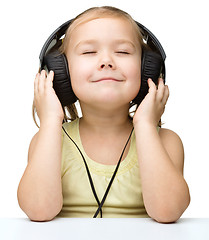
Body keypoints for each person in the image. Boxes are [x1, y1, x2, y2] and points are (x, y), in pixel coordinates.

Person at [17, 6, 190, 222]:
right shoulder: (49, 140)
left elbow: (168, 212)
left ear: (148, 69)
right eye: (89, 52)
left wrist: (145, 125)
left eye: (123, 52)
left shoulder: (166, 142)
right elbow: (38, 211)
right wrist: (51, 121)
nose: (106, 61)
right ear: (62, 71)